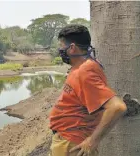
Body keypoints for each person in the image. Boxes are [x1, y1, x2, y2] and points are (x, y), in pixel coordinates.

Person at [49, 24, 127, 156]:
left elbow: (117, 107)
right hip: (67, 140)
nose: (60, 49)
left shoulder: (85, 72)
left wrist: (92, 141)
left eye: (61, 46)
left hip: (72, 145)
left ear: (72, 48)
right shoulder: (81, 66)